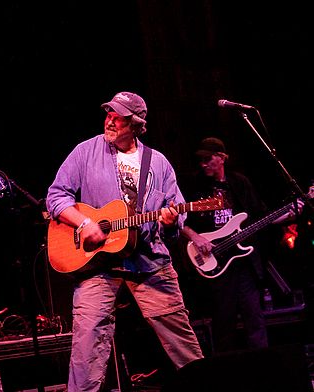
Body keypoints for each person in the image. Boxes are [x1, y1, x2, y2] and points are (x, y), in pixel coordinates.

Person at [46, 91, 204, 391]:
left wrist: (172, 222)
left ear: (136, 124)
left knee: (182, 342)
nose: (110, 121)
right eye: (108, 114)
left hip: (149, 262)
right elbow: (56, 195)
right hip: (98, 265)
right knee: (86, 345)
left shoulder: (158, 163)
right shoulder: (85, 151)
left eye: (118, 118)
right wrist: (85, 222)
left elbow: (176, 214)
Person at [180, 137, 303, 354]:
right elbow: (179, 221)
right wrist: (196, 237)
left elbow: (259, 216)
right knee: (223, 321)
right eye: (201, 160)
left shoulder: (239, 183)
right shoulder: (194, 185)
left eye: (208, 159)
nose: (203, 164)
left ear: (221, 158)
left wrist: (287, 216)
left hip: (243, 261)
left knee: (254, 318)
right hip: (214, 261)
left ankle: (263, 370)